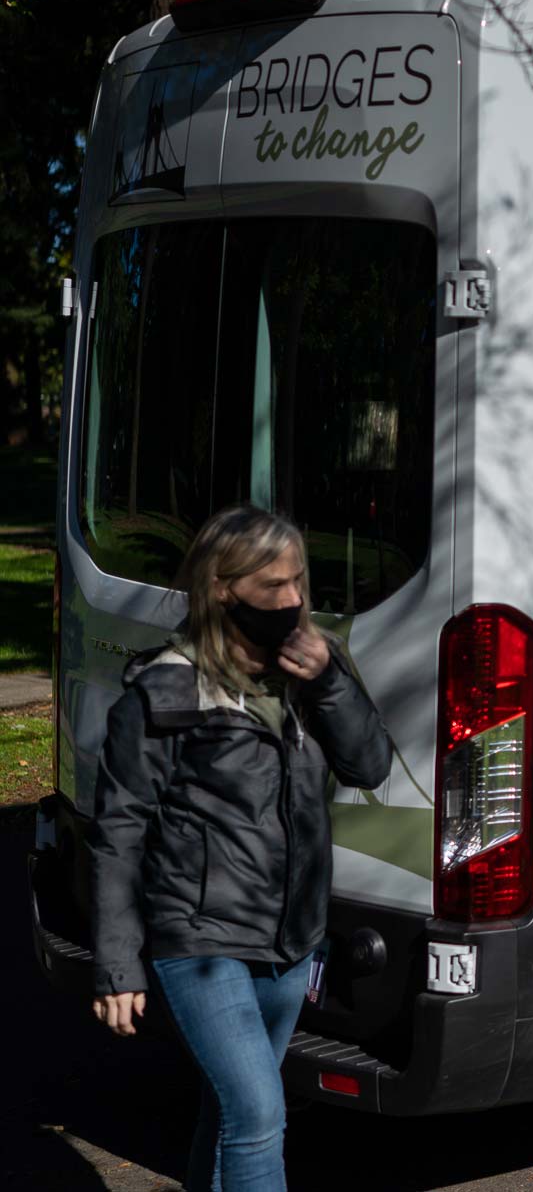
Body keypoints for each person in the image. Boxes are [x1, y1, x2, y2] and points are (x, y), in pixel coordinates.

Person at [89, 506, 391, 1192]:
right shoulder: (163, 689)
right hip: (199, 939)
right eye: (273, 585)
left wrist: (329, 682)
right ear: (223, 587)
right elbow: (120, 830)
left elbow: (370, 766)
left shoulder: (312, 671)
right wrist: (117, 966)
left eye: (298, 583)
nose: (291, 600)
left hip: (289, 935)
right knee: (258, 1113)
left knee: (225, 1113)